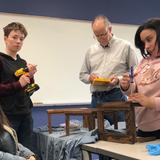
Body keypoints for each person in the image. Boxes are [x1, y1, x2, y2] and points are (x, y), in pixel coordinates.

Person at [79, 15, 138, 124]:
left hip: (115, 97)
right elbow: (82, 75)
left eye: (103, 34)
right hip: (96, 99)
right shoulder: (91, 51)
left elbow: (134, 72)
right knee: (96, 135)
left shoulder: (125, 47)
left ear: (110, 29)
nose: (101, 38)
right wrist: (90, 78)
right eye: (97, 36)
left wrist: (119, 79)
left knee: (120, 133)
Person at [120, 18, 160, 138]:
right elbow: (135, 86)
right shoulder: (143, 62)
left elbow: (147, 100)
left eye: (149, 40)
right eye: (143, 43)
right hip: (142, 126)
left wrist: (150, 102)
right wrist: (126, 85)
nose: (146, 46)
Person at [0, 22, 37, 150]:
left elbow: (28, 91)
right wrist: (18, 84)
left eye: (21, 39)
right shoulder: (1, 60)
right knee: (10, 151)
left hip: (26, 113)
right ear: (5, 38)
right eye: (14, 37)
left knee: (27, 150)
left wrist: (31, 76)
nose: (18, 41)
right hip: (8, 116)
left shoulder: (23, 63)